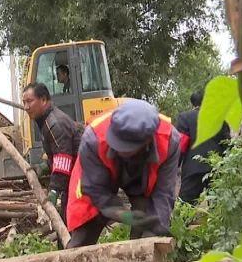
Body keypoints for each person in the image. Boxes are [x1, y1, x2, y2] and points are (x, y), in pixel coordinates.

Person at [66, 99, 182, 248]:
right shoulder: (93, 138)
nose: (121, 150)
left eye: (127, 148)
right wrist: (122, 214)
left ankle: (140, 259)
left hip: (144, 172)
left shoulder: (169, 140)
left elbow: (164, 192)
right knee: (85, 225)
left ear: (146, 141)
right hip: (99, 174)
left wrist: (155, 230)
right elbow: (95, 189)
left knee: (150, 224)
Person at [22, 82, 80, 220]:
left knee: (70, 224)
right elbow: (57, 154)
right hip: (74, 178)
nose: (26, 107)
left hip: (80, 178)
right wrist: (45, 166)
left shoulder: (55, 124)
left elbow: (63, 159)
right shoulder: (45, 121)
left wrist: (54, 191)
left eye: (29, 101)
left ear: (43, 100)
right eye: (24, 102)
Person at [174, 89, 230, 204]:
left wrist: (174, 166)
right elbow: (227, 144)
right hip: (216, 167)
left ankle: (181, 222)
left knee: (186, 206)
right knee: (218, 207)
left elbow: (181, 144)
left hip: (193, 168)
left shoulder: (185, 117)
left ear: (193, 103)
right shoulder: (220, 119)